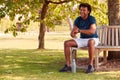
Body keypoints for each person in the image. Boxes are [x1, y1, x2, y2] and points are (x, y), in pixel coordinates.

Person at [59, 3, 99, 73]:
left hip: (93, 39)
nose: (82, 11)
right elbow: (73, 33)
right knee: (67, 43)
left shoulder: (92, 19)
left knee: (90, 41)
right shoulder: (78, 19)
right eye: (81, 10)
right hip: (82, 39)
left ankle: (90, 66)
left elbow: (92, 31)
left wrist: (80, 30)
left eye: (84, 10)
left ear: (88, 11)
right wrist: (73, 32)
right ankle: (68, 65)